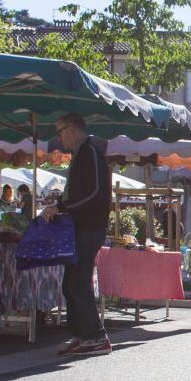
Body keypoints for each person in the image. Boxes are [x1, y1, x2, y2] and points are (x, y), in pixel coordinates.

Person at [45, 112, 113, 357]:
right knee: (71, 281)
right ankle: (83, 334)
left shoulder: (90, 152)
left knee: (78, 280)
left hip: (89, 227)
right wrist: (61, 204)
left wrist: (62, 207)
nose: (59, 139)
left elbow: (94, 192)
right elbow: (84, 192)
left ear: (72, 129)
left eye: (60, 132)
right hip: (80, 226)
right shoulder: (83, 154)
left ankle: (95, 335)